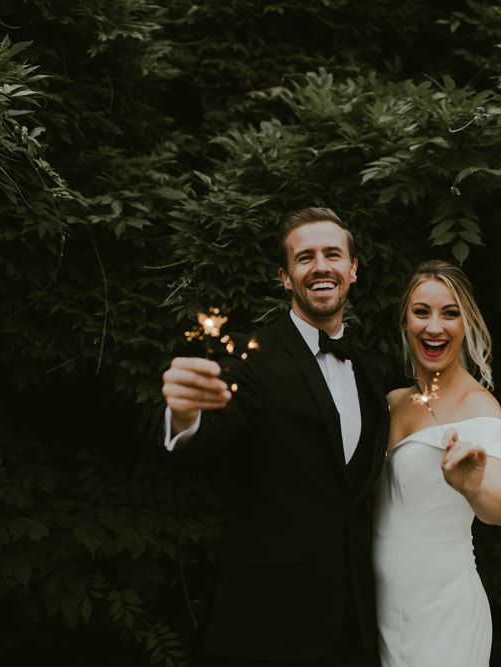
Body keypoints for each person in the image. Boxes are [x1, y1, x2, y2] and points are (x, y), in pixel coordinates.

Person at [161, 207, 389, 666]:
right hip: (268, 624)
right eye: (305, 258)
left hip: (355, 628)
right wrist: (184, 417)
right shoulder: (253, 358)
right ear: (285, 277)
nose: (321, 266)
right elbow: (205, 438)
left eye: (332, 254)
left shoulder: (370, 369)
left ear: (353, 269)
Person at [373, 260, 501, 667]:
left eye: (450, 313)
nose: (434, 327)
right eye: (421, 312)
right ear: (405, 321)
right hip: (383, 608)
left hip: (444, 610)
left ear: (466, 324)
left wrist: (474, 486)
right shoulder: (392, 403)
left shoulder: (479, 406)